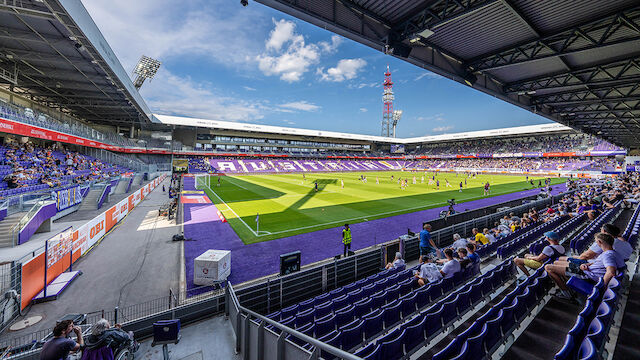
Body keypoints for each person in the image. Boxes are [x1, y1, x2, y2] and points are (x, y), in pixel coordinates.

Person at [545, 233, 624, 300]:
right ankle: (569, 288)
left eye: (596, 241)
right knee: (556, 263)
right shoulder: (610, 252)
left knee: (548, 267)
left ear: (599, 242)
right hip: (586, 270)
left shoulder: (608, 255)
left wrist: (602, 288)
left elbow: (610, 272)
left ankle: (566, 294)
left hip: (587, 275)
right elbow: (598, 263)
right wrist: (586, 264)